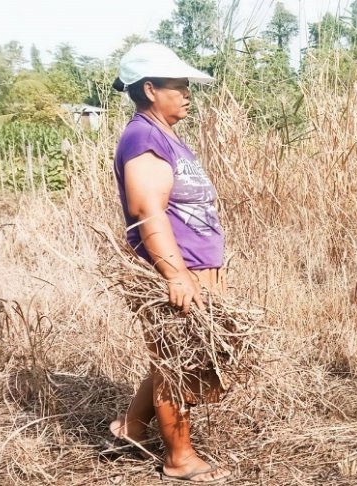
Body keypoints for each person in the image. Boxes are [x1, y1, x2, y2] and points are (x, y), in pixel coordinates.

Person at [107, 42, 230, 483]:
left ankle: (131, 428)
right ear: (150, 88)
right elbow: (148, 210)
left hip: (196, 267)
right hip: (175, 272)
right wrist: (176, 274)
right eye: (179, 86)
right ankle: (179, 459)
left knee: (170, 358)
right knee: (179, 364)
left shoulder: (165, 134)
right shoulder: (143, 136)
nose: (187, 93)